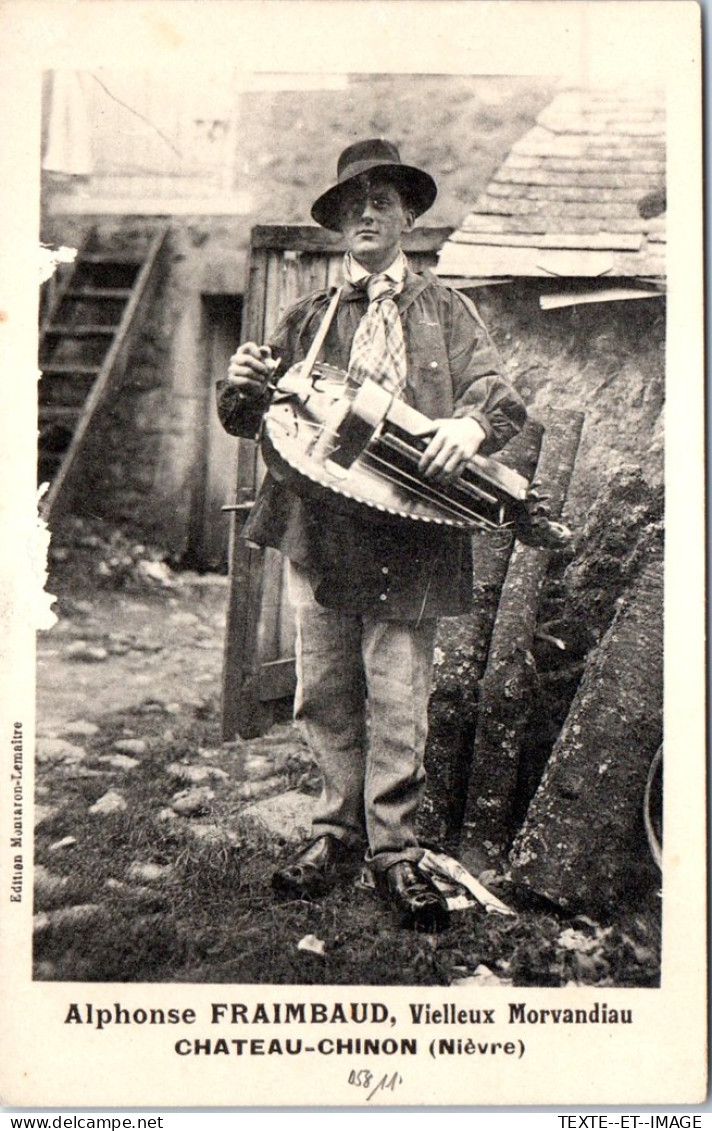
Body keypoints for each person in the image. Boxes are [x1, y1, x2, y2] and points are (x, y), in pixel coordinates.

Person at [217, 138, 527, 932]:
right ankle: (332, 836)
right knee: (324, 688)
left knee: (397, 694)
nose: (365, 215)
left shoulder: (445, 310)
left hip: (410, 532)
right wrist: (241, 386)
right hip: (319, 525)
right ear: (338, 226)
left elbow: (498, 396)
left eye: (380, 202)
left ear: (407, 217)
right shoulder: (309, 318)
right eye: (352, 206)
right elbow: (248, 419)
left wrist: (468, 422)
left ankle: (395, 852)